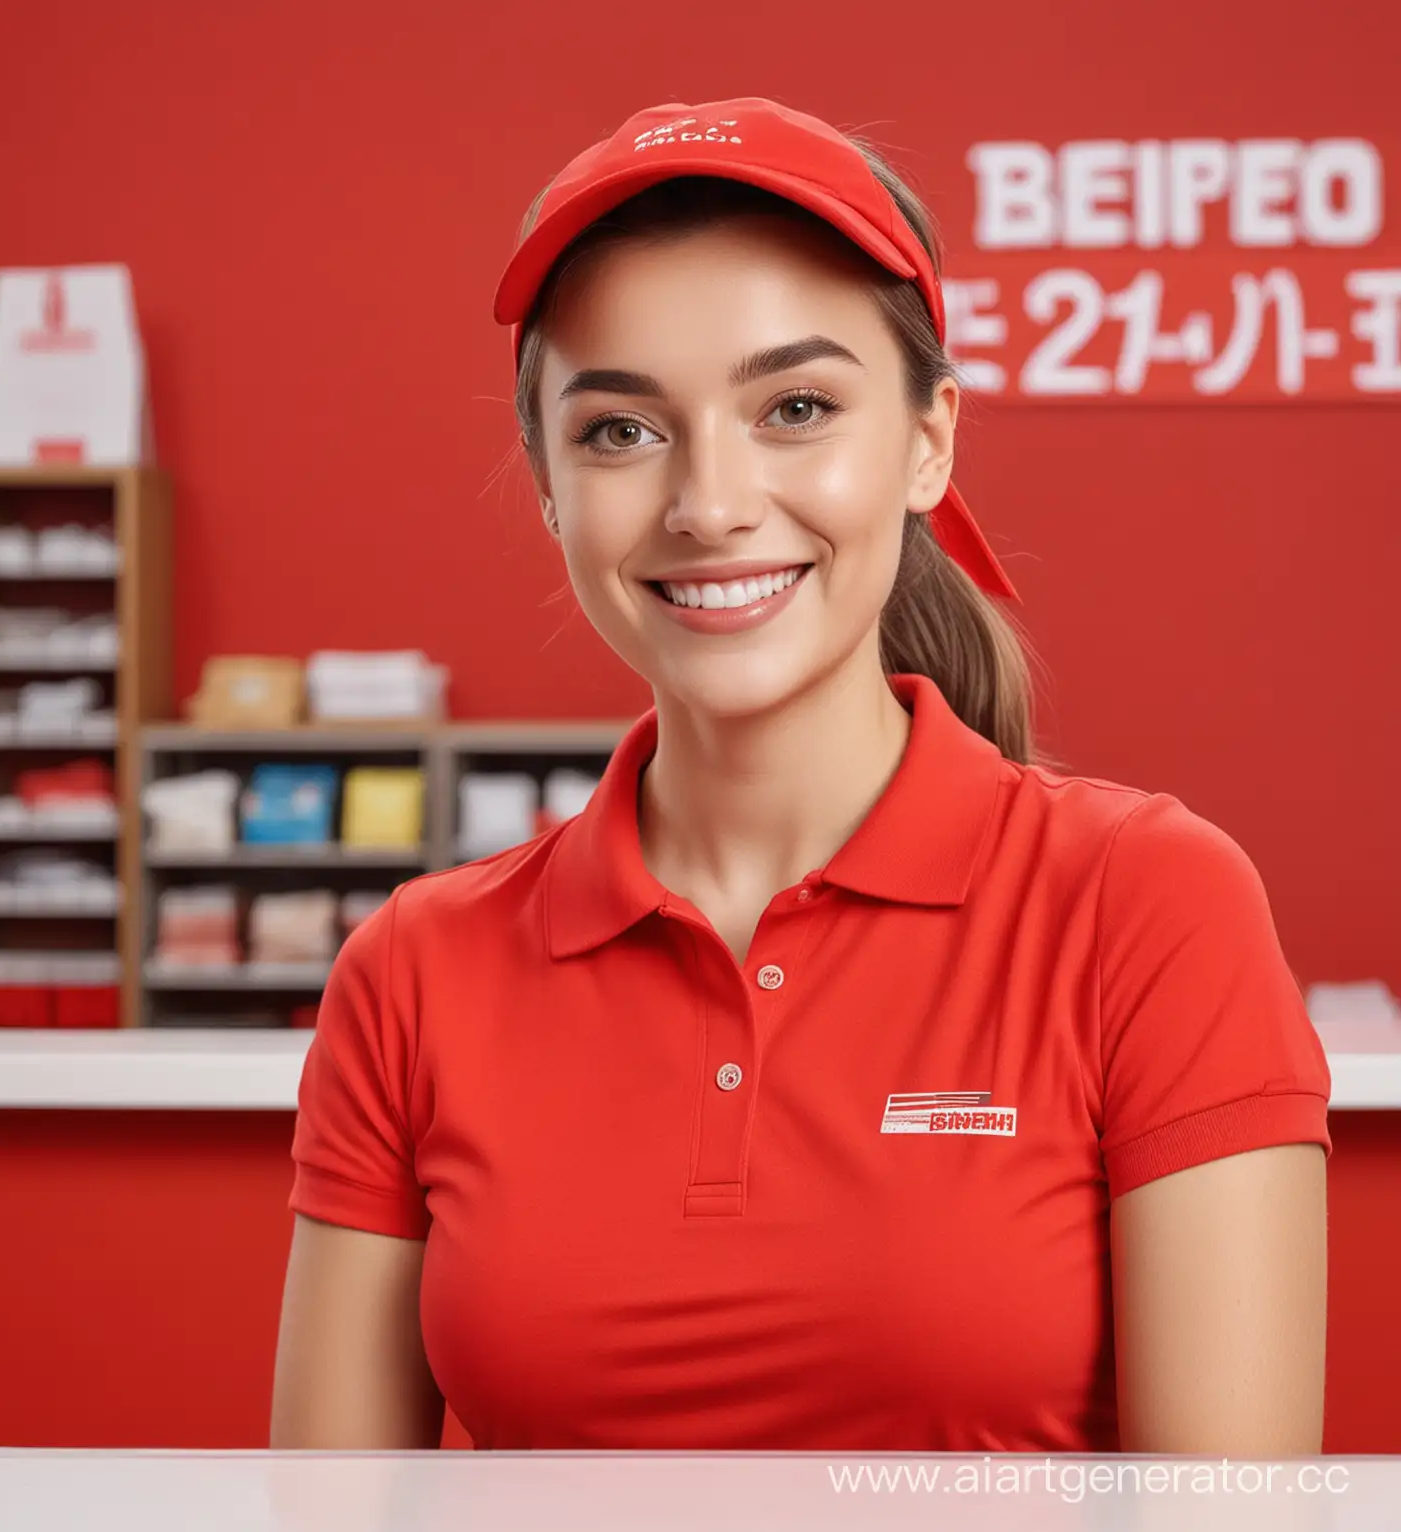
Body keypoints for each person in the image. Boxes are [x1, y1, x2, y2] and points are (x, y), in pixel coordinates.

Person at [270, 97, 1330, 1455]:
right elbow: (337, 1515)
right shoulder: (414, 973)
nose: (708, 504)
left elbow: (1227, 1517)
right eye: (619, 431)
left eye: (799, 407)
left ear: (930, 440)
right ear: (547, 486)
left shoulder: (1147, 908)